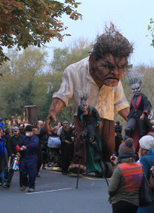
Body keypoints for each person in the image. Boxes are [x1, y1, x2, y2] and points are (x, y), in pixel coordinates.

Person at [46, 23, 134, 173]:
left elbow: (120, 103)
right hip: (84, 115)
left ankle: (104, 165)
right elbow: (63, 95)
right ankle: (78, 162)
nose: (116, 72)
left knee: (108, 145)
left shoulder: (114, 80)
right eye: (107, 66)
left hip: (105, 116)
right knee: (83, 139)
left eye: (121, 67)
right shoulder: (74, 71)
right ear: (93, 60)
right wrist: (52, 114)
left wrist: (134, 121)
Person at [108, 139, 153, 213]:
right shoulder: (139, 167)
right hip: (134, 203)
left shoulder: (120, 169)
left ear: (121, 153)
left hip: (119, 203)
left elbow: (111, 189)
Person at [126, 79, 153, 151]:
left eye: (137, 88)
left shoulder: (143, 97)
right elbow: (131, 108)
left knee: (142, 132)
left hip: (140, 116)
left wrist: (144, 114)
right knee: (128, 129)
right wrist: (129, 117)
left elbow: (146, 105)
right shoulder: (132, 98)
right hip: (133, 116)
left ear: (140, 87)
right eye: (133, 89)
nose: (135, 91)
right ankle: (128, 144)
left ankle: (142, 148)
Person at [17, 125, 39, 193]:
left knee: (32, 172)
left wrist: (26, 147)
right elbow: (19, 143)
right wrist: (18, 146)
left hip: (32, 157)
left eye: (27, 132)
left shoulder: (35, 138)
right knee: (22, 171)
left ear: (31, 132)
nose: (26, 133)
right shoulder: (25, 138)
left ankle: (31, 186)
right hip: (24, 156)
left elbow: (34, 145)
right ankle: (25, 183)